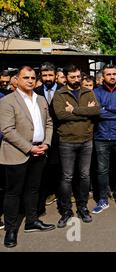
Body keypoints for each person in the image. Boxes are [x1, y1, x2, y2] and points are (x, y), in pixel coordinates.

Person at [0, 66, 55, 248]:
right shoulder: (8, 101)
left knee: (33, 189)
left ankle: (32, 221)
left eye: (32, 77)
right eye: (26, 77)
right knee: (13, 193)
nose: (30, 80)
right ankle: (11, 229)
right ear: (17, 80)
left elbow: (48, 123)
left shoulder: (40, 100)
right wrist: (29, 148)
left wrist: (46, 143)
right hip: (17, 153)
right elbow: (7, 130)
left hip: (40, 151)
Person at [52, 64, 100, 228]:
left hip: (86, 139)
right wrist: (85, 112)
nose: (76, 79)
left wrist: (75, 111)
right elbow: (61, 115)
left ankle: (82, 207)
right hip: (67, 141)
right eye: (72, 77)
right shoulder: (60, 94)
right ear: (65, 77)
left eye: (78, 76)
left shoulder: (88, 91)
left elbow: (96, 111)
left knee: (85, 176)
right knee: (67, 177)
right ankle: (66, 211)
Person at [92, 64, 116, 215]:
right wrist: (115, 109)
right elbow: (97, 113)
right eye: (108, 74)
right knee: (102, 170)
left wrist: (105, 108)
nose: (112, 76)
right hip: (101, 137)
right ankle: (102, 199)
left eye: (114, 74)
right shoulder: (95, 92)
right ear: (103, 77)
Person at [34, 62, 62, 216]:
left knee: (59, 170)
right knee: (42, 172)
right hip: (42, 137)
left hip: (61, 137)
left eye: (50, 75)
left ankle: (62, 203)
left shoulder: (63, 91)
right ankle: (40, 206)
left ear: (56, 75)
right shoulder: (36, 92)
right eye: (44, 75)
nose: (48, 78)